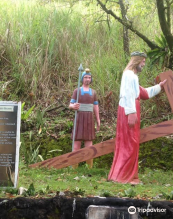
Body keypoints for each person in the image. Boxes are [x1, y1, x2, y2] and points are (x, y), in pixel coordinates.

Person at [108, 51, 167, 184]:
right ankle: (124, 176)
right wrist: (131, 112)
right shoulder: (129, 75)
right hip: (129, 110)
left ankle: (125, 175)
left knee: (130, 142)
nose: (144, 64)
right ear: (137, 61)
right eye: (143, 62)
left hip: (130, 109)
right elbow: (128, 94)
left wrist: (159, 87)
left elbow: (143, 93)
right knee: (130, 142)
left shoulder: (132, 75)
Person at [69, 68, 100, 168]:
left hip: (89, 120)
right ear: (82, 79)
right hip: (79, 119)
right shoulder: (77, 91)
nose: (87, 79)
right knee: (76, 145)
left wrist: (98, 120)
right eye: (85, 77)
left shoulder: (93, 92)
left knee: (89, 145)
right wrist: (73, 106)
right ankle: (74, 168)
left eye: (89, 77)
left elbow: (95, 107)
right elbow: (70, 104)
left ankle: (89, 168)